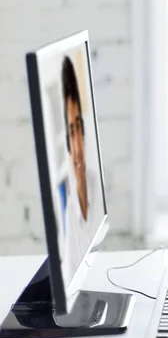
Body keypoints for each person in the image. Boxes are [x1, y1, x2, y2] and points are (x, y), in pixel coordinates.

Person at [61, 55, 97, 281]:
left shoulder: (93, 182)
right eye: (69, 132)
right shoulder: (67, 206)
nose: (77, 148)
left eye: (78, 129)